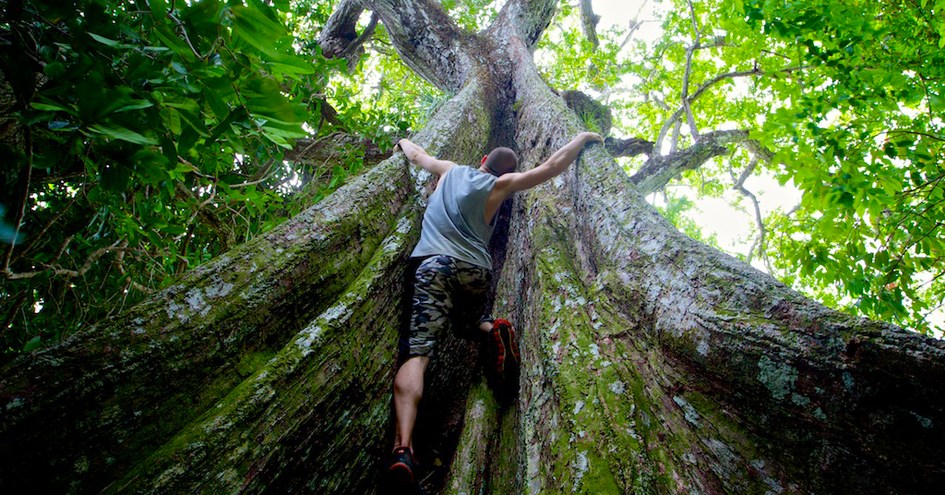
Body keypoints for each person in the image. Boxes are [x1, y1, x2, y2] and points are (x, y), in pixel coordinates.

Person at [387, 131, 603, 491]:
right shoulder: (501, 186)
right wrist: (581, 138)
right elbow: (551, 167)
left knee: (418, 353)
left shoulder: (451, 170)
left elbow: (418, 155)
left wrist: (403, 143)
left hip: (432, 265)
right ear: (502, 170)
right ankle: (490, 329)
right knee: (468, 318)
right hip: (475, 270)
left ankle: (403, 449)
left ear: (483, 157)